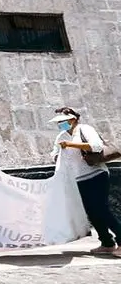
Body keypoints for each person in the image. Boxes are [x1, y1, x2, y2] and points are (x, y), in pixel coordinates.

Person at [51, 107, 121, 257]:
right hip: (77, 179)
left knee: (102, 209)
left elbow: (96, 146)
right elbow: (55, 154)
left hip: (96, 174)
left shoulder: (85, 129)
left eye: (63, 121)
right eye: (59, 122)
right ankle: (107, 242)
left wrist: (71, 145)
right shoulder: (61, 137)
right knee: (91, 212)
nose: (61, 125)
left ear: (73, 119)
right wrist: (58, 156)